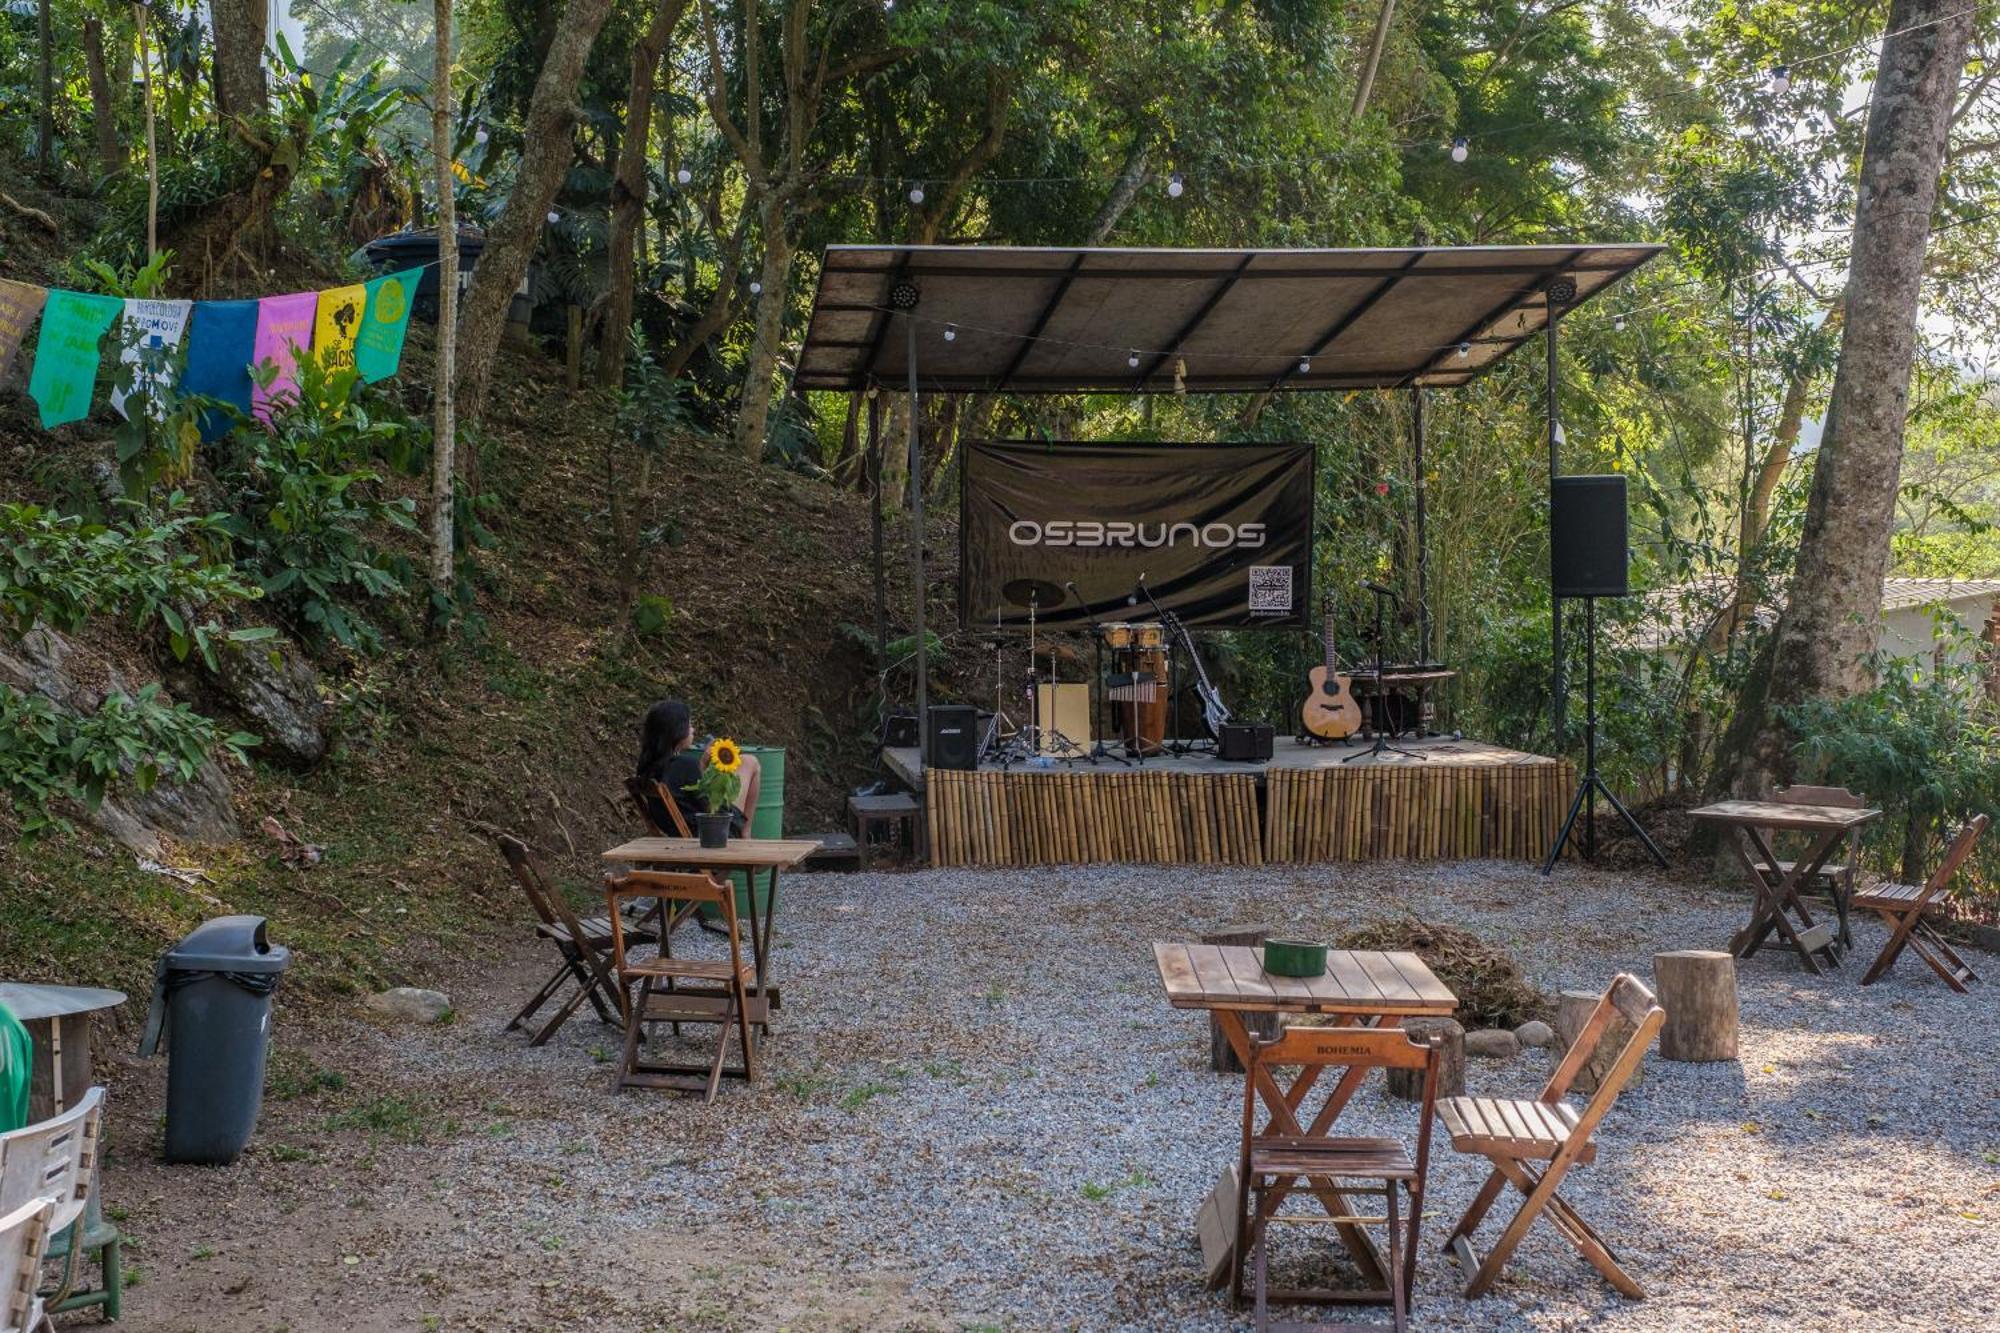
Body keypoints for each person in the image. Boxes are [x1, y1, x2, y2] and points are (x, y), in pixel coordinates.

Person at [634, 698, 761, 837]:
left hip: (684, 832)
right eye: (689, 725)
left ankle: (744, 834)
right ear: (677, 730)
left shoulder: (648, 768)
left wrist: (702, 765)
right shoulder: (684, 765)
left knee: (744, 761)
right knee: (750, 762)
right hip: (713, 834)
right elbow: (713, 808)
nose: (693, 729)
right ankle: (746, 835)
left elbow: (692, 799)